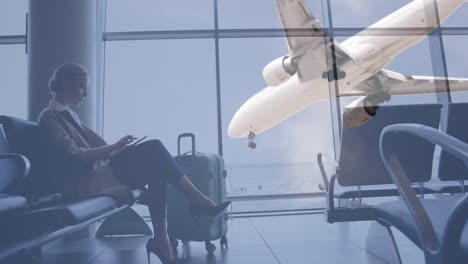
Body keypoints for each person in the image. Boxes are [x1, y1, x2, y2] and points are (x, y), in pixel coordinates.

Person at [38, 63, 230, 264]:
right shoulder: (49, 116)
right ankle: (196, 202)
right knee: (155, 148)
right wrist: (114, 147)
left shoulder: (70, 116)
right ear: (66, 82)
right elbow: (75, 155)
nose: (84, 94)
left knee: (157, 167)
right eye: (81, 86)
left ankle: (163, 240)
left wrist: (118, 149)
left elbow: (101, 148)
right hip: (86, 180)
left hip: (99, 172)